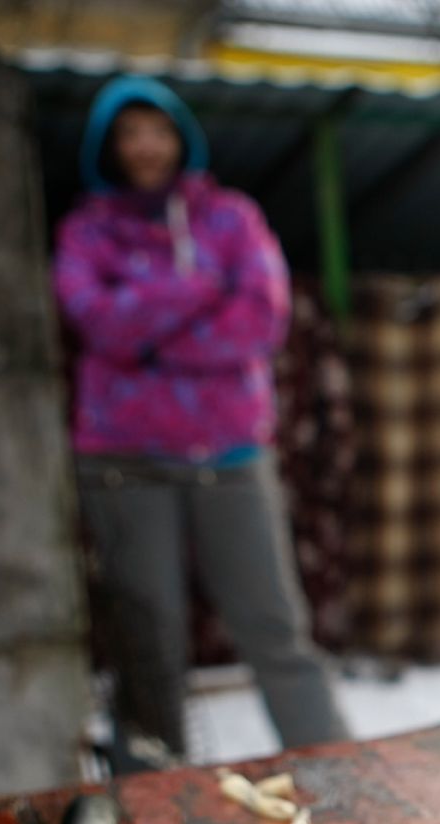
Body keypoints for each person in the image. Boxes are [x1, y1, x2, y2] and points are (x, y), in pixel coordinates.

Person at [54, 76, 347, 770]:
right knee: (146, 639)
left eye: (157, 129)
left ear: (180, 136)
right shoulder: (88, 228)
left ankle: (341, 773)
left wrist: (147, 327)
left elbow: (259, 319)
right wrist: (195, 293)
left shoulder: (231, 219)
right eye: (130, 133)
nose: (146, 146)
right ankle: (149, 794)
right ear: (108, 145)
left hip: (229, 451)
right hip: (123, 460)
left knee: (273, 625)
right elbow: (95, 320)